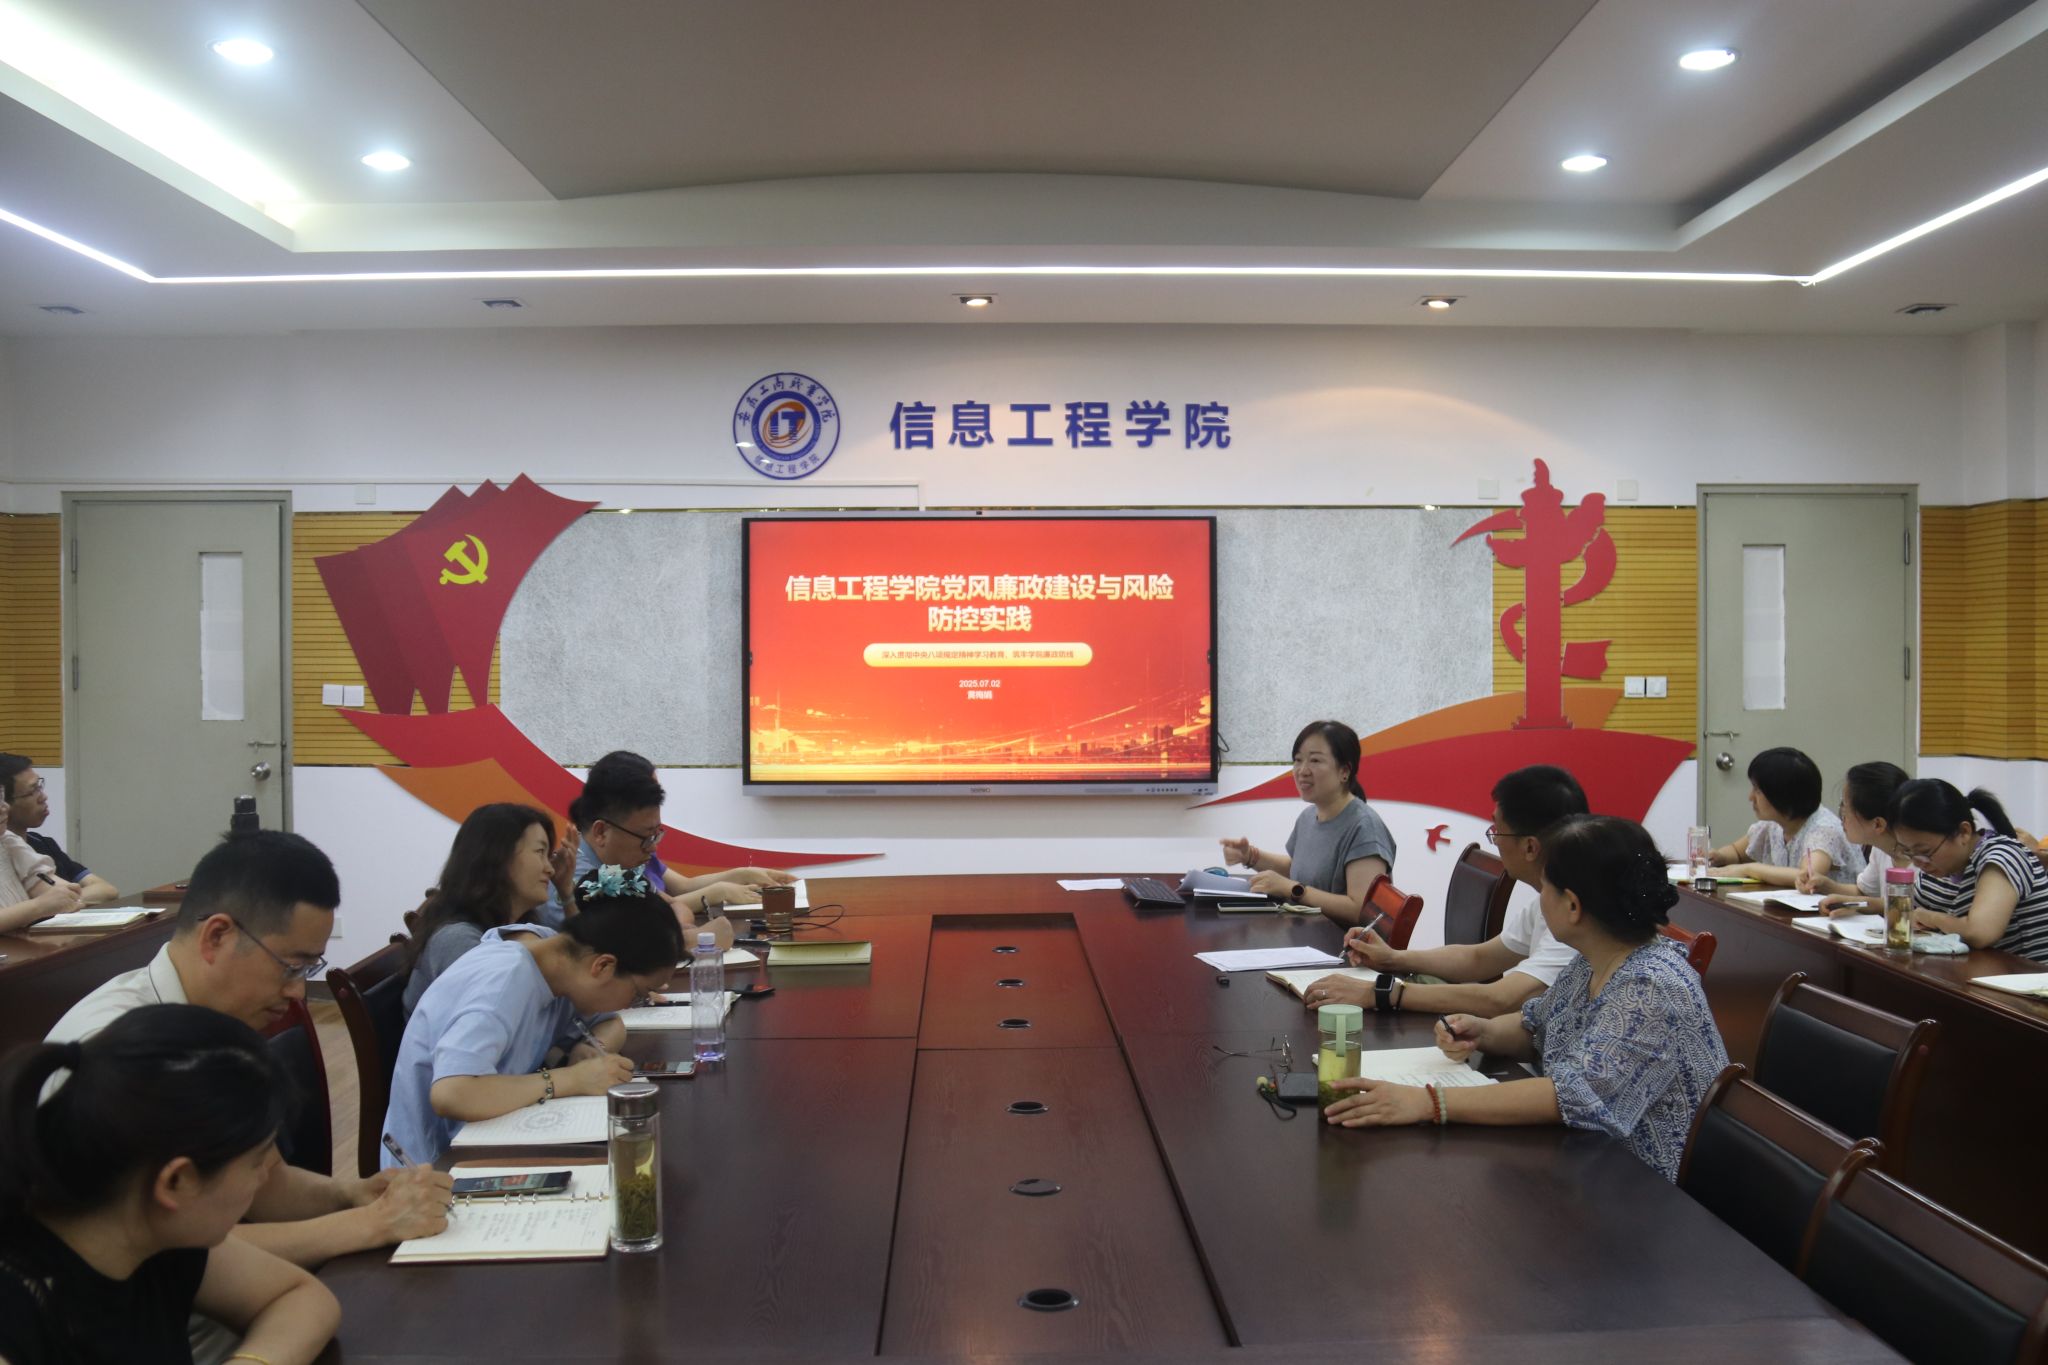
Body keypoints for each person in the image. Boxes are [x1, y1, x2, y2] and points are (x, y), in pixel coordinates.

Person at [45, 831, 453, 1269]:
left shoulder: (218, 1019)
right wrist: (372, 1224)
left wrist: (353, 1194)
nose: (298, 992)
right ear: (217, 936)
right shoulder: (115, 1051)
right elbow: (166, 1256)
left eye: (309, 968)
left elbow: (266, 1181)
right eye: (292, 966)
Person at [1323, 816, 1729, 1183]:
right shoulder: (1594, 959)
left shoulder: (1651, 986)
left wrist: (1428, 1102)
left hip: (1646, 1193)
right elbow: (1535, 1026)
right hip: (1587, 1163)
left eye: (1546, 887)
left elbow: (1572, 1095)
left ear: (1573, 906)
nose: (1539, 898)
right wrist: (1482, 1031)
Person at [0, 1004, 340, 1365]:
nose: (264, 1177)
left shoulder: (145, 1223)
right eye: (257, 1161)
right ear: (177, 1181)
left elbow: (301, 1297)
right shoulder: (19, 1311)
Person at [383, 868, 684, 1167]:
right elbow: (452, 1094)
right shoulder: (503, 983)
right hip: (435, 1167)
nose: (632, 1005)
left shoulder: (561, 956)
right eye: (638, 993)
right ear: (603, 967)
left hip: (493, 1136)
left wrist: (589, 1048)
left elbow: (611, 1023)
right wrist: (570, 1079)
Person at [1303, 764, 1587, 1017]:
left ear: (1530, 847)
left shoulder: (1577, 917)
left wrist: (1379, 993)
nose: (1496, 841)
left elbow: (1501, 999)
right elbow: (1479, 958)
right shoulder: (1548, 900)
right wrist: (1391, 959)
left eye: (1498, 831)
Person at [555, 751, 788, 949]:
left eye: (656, 834)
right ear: (601, 832)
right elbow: (615, 950)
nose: (653, 847)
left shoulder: (622, 863)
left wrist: (741, 875)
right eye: (646, 837)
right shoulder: (570, 882)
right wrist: (690, 936)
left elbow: (673, 905)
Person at [1221, 720, 1396, 926]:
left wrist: (1292, 889)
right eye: (1298, 760)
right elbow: (1300, 870)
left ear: (1344, 771)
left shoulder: (1364, 827)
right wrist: (1250, 856)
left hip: (1341, 944)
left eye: (1315, 760)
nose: (1302, 770)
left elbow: (1361, 910)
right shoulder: (1308, 816)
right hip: (1305, 934)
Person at [402, 803, 572, 1015]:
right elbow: (517, 1015)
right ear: (497, 856)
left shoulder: (516, 927)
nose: (550, 869)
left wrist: (566, 892)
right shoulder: (458, 940)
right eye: (540, 852)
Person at [1888, 778, 2048, 962]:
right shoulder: (1938, 869)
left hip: (2027, 976)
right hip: (1969, 973)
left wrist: (1931, 918)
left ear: (1963, 832)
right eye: (1908, 852)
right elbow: (1908, 911)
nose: (1918, 863)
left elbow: (1980, 932)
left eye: (1924, 851)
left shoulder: (2002, 856)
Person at [1708, 746, 1863, 889]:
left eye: (1757, 790)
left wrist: (1748, 869)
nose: (1750, 797)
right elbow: (1736, 852)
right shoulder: (1773, 825)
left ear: (1782, 795)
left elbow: (1808, 876)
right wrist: (1719, 856)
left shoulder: (1824, 830)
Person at [0, 754, 120, 903]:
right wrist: (52, 904)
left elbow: (107, 890)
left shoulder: (42, 844)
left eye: (39, 786)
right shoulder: (6, 854)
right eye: (32, 791)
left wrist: (63, 902)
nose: (43, 797)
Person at [1804, 762, 1908, 910]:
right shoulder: (1881, 848)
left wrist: (1858, 904)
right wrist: (1826, 885)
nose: (1842, 817)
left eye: (1846, 808)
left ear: (1877, 824)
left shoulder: (1925, 861)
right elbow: (1864, 891)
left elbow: (1913, 911)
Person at [0, 785, 82, 935]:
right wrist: (39, 906)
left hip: (22, 943)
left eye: (1, 797)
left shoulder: (7, 841)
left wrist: (67, 895)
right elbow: (44, 904)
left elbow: (40, 881)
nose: (5, 807)